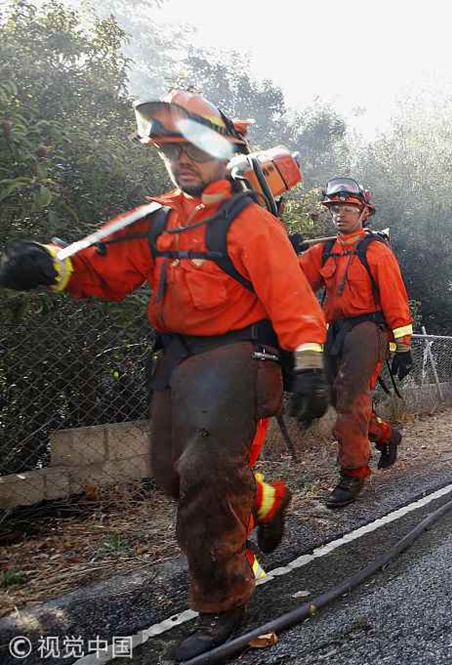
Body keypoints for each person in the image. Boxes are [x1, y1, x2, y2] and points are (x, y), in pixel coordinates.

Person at [0, 90, 330, 660]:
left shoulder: (251, 224)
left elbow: (293, 299)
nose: (181, 160)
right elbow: (101, 265)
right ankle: (265, 498)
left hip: (234, 356)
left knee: (205, 475)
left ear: (222, 150)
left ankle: (222, 604)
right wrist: (50, 268)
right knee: (170, 475)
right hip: (175, 360)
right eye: (169, 150)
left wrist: (308, 362)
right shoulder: (156, 218)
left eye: (191, 147)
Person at [298, 177, 413, 508]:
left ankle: (354, 472)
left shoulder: (375, 251)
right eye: (335, 208)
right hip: (335, 330)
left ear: (364, 213)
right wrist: (282, 249)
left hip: (367, 329)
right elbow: (290, 280)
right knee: (339, 399)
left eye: (348, 208)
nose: (340, 214)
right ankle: (387, 435)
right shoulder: (323, 252)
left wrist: (403, 346)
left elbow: (395, 299)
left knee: (350, 399)